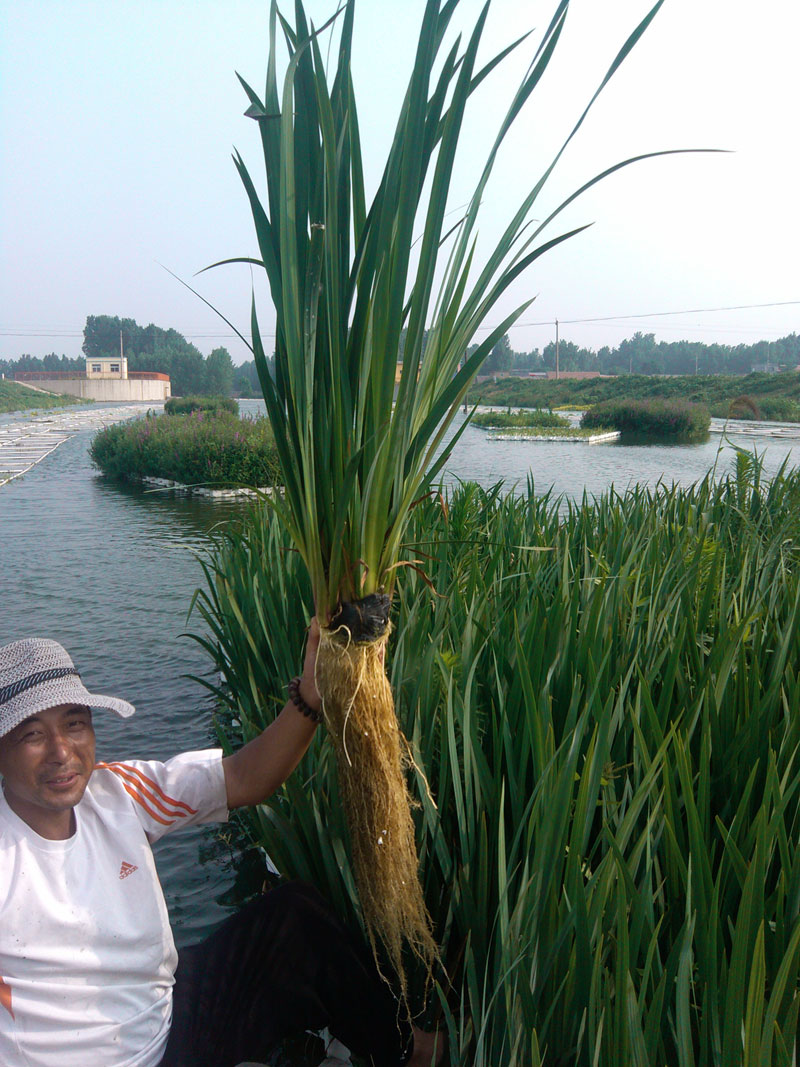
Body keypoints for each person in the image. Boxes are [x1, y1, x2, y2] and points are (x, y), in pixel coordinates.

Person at [0, 632, 443, 1067]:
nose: (61, 751)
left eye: (74, 723)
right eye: (32, 735)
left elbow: (245, 777)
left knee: (295, 919)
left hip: (165, 1019)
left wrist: (311, 694)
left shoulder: (118, 793)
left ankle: (410, 1050)